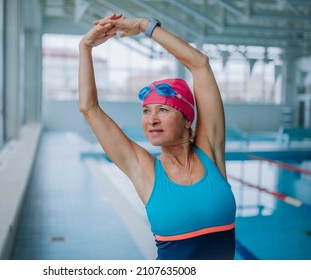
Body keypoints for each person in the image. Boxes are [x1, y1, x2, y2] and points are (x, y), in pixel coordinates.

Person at [78, 13, 236, 260]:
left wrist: (145, 26)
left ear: (186, 119)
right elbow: (90, 108)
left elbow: (200, 64)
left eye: (163, 110)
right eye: (146, 111)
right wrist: (85, 47)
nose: (151, 120)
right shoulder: (144, 168)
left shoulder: (211, 152)